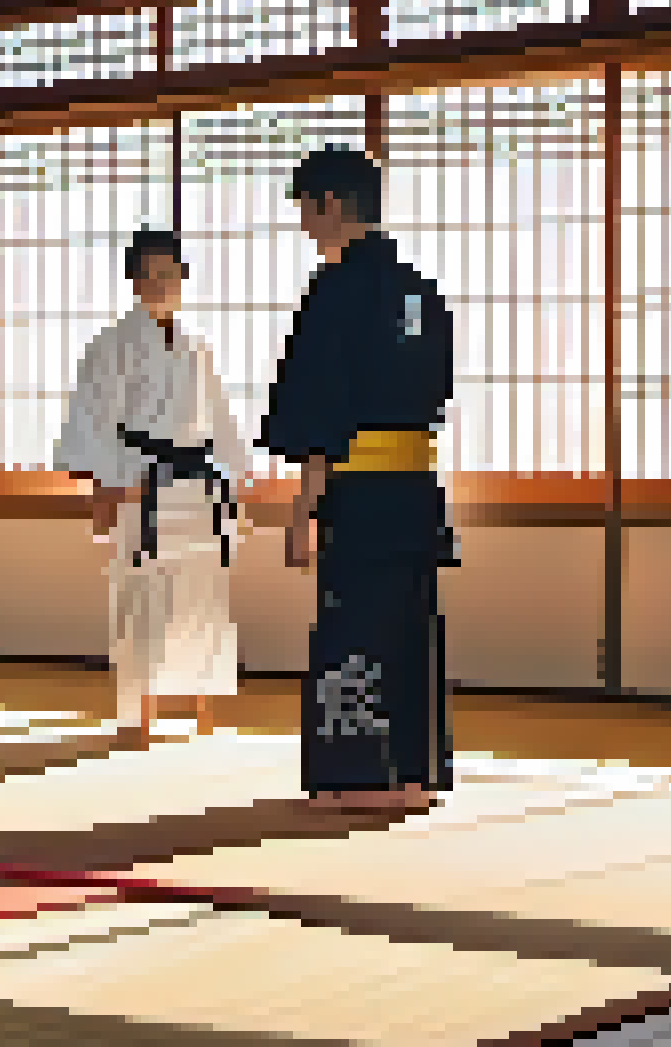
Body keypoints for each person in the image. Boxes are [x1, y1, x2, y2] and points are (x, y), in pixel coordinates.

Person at [260, 145, 456, 816]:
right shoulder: (420, 293)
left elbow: (321, 415)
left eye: (307, 212)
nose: (307, 228)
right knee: (410, 624)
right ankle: (414, 773)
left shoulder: (336, 290)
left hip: (361, 490)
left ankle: (355, 777)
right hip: (416, 489)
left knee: (353, 626)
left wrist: (301, 511)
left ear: (332, 205)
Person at [56, 229, 250, 749]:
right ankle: (139, 714)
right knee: (141, 598)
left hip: (195, 484)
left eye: (168, 274)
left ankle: (200, 706)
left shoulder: (197, 349)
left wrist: (233, 480)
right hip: (140, 479)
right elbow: (95, 420)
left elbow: (221, 423)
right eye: (149, 274)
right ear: (134, 280)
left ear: (182, 280)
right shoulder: (112, 346)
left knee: (203, 597)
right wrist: (108, 486)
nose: (159, 283)